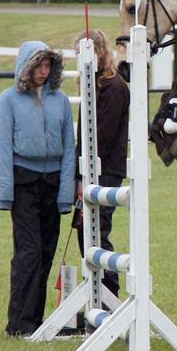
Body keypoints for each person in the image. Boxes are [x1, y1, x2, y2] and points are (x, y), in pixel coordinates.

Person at [0, 40, 75, 338]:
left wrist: (66, 194)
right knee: (27, 253)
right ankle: (19, 323)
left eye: (48, 65)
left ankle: (36, 321)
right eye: (38, 65)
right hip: (23, 181)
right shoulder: (9, 100)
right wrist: (6, 192)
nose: (44, 71)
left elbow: (69, 149)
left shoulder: (61, 101)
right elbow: (1, 148)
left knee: (45, 252)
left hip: (52, 183)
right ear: (26, 66)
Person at [74, 29, 129, 300]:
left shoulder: (113, 86)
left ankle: (110, 295)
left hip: (106, 171)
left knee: (98, 232)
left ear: (99, 52)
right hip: (89, 170)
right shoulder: (92, 83)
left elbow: (102, 137)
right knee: (85, 234)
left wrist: (85, 177)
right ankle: (98, 297)